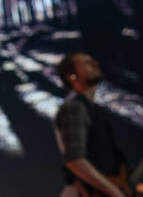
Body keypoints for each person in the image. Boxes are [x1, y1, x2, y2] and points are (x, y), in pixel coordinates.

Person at [53, 52, 129, 197]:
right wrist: (115, 192)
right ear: (72, 76)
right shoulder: (74, 108)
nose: (95, 63)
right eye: (87, 63)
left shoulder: (89, 109)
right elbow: (75, 160)